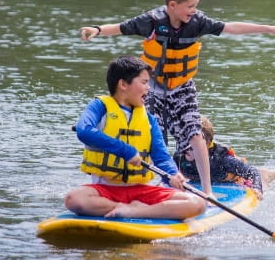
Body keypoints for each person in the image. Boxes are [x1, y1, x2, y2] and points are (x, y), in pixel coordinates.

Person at [80, 0, 275, 196]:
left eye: (196, 6)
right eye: (190, 6)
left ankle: (208, 191)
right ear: (172, 5)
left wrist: (269, 28)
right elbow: (120, 28)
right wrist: (97, 30)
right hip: (153, 89)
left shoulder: (197, 22)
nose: (194, 10)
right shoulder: (152, 21)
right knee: (156, 139)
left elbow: (231, 27)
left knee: (195, 135)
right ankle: (160, 188)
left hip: (182, 87)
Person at [64, 56, 206, 219]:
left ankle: (136, 211)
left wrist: (173, 173)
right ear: (123, 84)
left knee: (198, 203)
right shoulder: (99, 107)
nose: (148, 89)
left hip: (141, 191)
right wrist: (125, 150)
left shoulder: (149, 119)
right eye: (144, 82)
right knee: (73, 200)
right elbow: (84, 131)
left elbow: (161, 157)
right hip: (105, 190)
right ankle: (120, 207)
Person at [174, 115, 275, 200]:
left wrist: (257, 188)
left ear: (206, 145)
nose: (187, 148)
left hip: (236, 178)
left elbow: (251, 171)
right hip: (209, 179)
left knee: (260, 181)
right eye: (185, 141)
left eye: (194, 145)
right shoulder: (178, 157)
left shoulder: (221, 159)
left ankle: (267, 176)